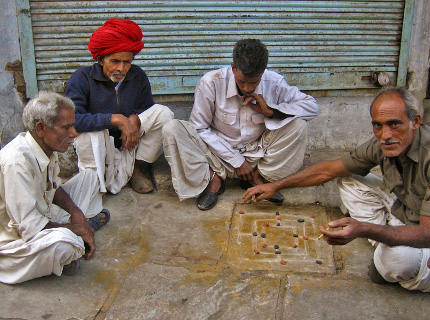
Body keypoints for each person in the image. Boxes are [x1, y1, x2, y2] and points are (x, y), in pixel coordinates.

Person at [243, 86, 430, 292]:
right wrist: (275, 185)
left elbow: (426, 233)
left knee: (399, 261)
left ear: (416, 122)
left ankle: (403, 263)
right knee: (349, 180)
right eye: (378, 125)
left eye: (394, 124)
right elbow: (329, 170)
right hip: (404, 208)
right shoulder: (382, 145)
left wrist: (363, 229)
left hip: (425, 231)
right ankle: (381, 244)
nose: (385, 135)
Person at [162, 39, 318, 210]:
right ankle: (213, 179)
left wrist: (270, 111)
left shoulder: (274, 82)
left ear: (263, 72)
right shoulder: (211, 82)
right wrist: (236, 161)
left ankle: (257, 178)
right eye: (242, 81)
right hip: (217, 155)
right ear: (233, 67)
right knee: (172, 129)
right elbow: (199, 128)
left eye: (254, 82)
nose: (248, 88)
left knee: (298, 125)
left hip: (256, 154)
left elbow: (311, 107)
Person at [0, 91, 109, 284]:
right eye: (66, 127)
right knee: (64, 244)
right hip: (14, 240)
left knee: (90, 178)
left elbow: (54, 186)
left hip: (44, 212)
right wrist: (76, 229)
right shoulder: (17, 163)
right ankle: (77, 238)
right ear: (41, 128)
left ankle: (81, 227)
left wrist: (76, 212)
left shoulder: (45, 147)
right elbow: (29, 228)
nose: (74, 133)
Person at [65, 18, 174, 194]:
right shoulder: (81, 78)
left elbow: (147, 108)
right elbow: (73, 120)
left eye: (127, 62)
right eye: (115, 61)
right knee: (83, 134)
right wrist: (116, 120)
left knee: (164, 114)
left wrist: (134, 119)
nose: (121, 68)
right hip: (100, 142)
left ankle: (136, 169)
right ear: (101, 60)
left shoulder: (137, 75)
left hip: (128, 141)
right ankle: (93, 181)